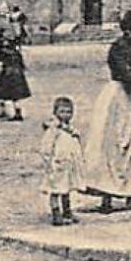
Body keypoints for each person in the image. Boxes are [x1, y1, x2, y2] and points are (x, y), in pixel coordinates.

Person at [83, 10, 131, 212]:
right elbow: (125, 74)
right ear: (127, 30)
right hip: (119, 98)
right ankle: (106, 198)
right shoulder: (117, 49)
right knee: (112, 146)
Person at [38, 96, 84, 226]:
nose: (66, 115)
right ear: (55, 112)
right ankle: (56, 213)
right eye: (62, 112)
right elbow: (46, 147)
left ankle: (67, 211)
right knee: (55, 189)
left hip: (68, 165)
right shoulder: (54, 130)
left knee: (66, 188)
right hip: (57, 164)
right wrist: (49, 162)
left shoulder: (70, 129)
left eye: (69, 112)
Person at [0, 29, 31, 121]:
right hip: (17, 74)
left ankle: (12, 113)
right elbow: (21, 63)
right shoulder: (16, 52)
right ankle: (14, 112)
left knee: (5, 93)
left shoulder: (4, 51)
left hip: (8, 74)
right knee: (12, 95)